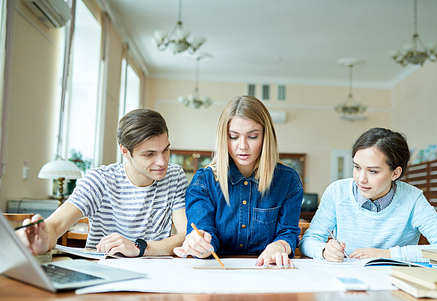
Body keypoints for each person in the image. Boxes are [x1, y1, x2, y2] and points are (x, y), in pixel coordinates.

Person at [17, 109, 188, 257]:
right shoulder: (99, 180)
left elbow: (185, 235)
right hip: (103, 272)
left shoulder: (174, 176)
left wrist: (139, 248)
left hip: (157, 274)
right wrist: (43, 239)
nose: (162, 162)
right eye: (149, 154)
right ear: (125, 151)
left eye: (165, 150)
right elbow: (55, 226)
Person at [173, 95, 303, 268]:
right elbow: (203, 231)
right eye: (233, 137)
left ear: (266, 137)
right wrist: (201, 245)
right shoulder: (204, 181)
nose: (242, 146)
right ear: (223, 137)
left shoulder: (287, 180)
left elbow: (288, 232)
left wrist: (279, 246)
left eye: (253, 136)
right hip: (216, 273)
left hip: (267, 272)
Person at [299, 127, 437, 263]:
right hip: (346, 283)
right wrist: (323, 250)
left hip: (393, 284)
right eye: (357, 167)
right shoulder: (337, 192)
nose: (361, 179)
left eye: (372, 171)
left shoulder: (412, 199)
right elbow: (308, 240)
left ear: (395, 173)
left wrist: (386, 254)